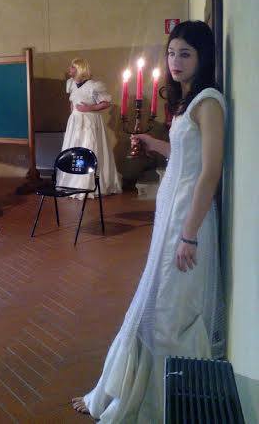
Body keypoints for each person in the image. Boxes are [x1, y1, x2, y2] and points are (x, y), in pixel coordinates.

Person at [72, 21, 226, 422]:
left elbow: (210, 170)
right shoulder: (189, 101)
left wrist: (189, 235)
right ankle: (136, 390)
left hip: (189, 219)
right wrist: (155, 143)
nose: (175, 61)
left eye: (185, 54)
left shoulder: (209, 102)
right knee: (155, 301)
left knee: (171, 311)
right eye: (172, 53)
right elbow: (185, 153)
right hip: (172, 216)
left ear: (203, 57)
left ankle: (167, 404)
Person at [58, 58, 122, 198]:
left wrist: (89, 108)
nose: (69, 69)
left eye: (72, 67)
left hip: (90, 122)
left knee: (89, 148)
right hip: (76, 122)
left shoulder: (93, 86)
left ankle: (88, 183)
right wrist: (73, 116)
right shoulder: (71, 84)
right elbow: (72, 102)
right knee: (74, 149)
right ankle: (73, 182)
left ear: (80, 68)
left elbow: (106, 103)